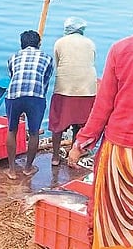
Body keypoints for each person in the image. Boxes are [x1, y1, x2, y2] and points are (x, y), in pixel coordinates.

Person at [68, 0, 133, 248]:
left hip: (119, 159)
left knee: (113, 229)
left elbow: (102, 108)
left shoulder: (121, 49)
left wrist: (80, 145)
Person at [48, 17, 97, 166]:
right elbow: (91, 61)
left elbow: (58, 63)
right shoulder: (90, 43)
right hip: (87, 88)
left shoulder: (60, 42)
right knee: (80, 123)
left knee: (58, 124)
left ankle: (55, 157)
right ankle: (73, 153)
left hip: (65, 87)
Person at [5, 30, 54, 180]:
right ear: (39, 44)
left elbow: (13, 76)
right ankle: (28, 168)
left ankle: (12, 170)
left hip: (14, 95)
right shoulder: (47, 58)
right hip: (36, 97)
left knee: (12, 130)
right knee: (34, 132)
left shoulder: (13, 57)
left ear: (22, 44)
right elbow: (45, 81)